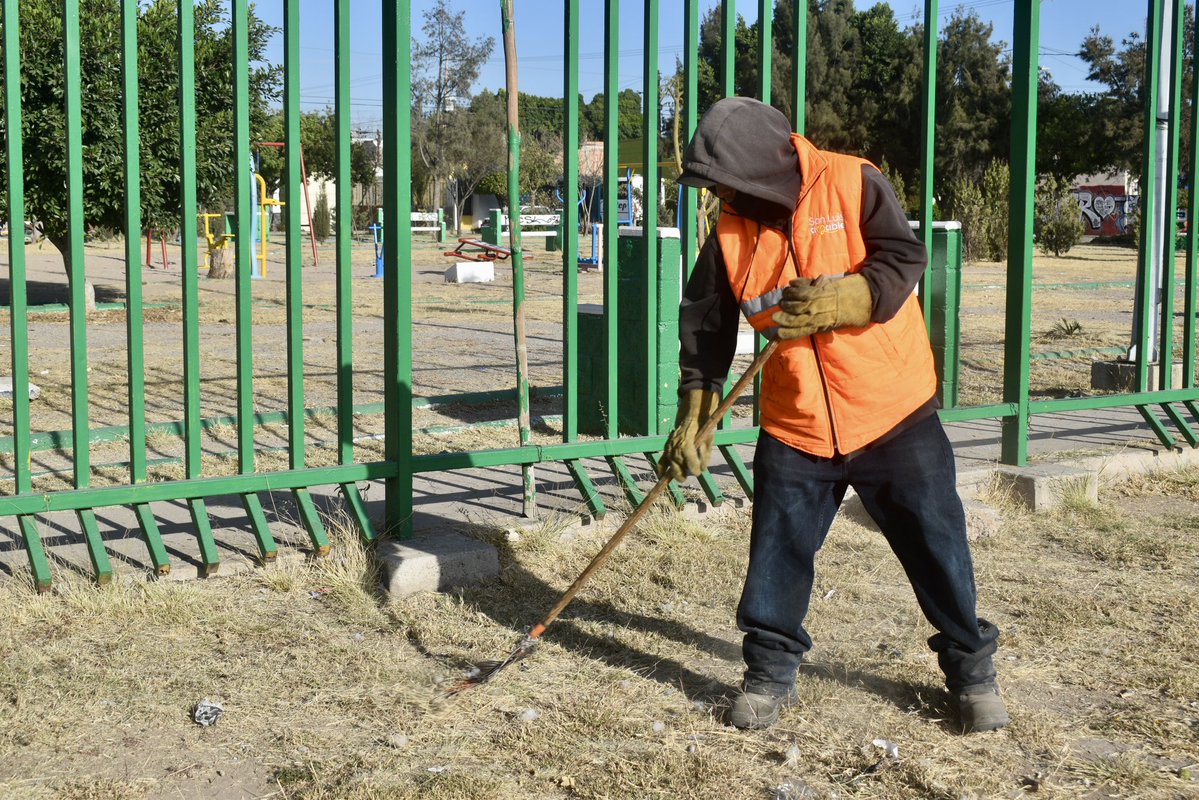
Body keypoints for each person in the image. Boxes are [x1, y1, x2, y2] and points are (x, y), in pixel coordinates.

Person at [661, 96, 1007, 734]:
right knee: (777, 554)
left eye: (725, 184)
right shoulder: (731, 231)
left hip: (892, 412)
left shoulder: (852, 180)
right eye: (713, 188)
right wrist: (694, 410)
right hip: (797, 426)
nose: (720, 198)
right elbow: (706, 323)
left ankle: (972, 671)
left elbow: (903, 257)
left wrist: (855, 295)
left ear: (767, 167)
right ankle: (768, 673)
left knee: (938, 549)